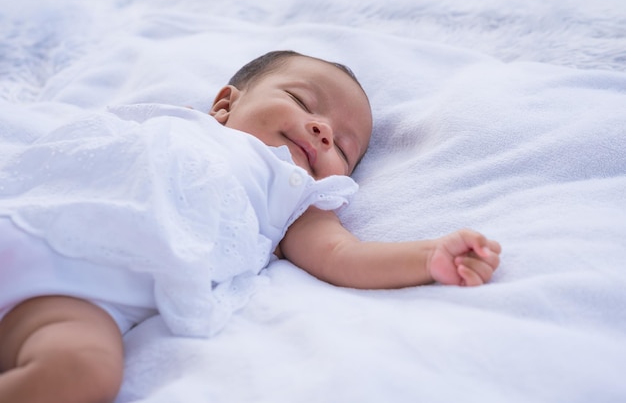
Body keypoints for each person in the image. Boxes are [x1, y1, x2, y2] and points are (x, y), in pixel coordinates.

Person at [0, 50, 501, 403]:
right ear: (225, 103)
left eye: (344, 149)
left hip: (71, 302)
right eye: (304, 102)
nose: (323, 130)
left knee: (81, 373)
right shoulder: (170, 123)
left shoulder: (295, 194)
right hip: (25, 217)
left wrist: (429, 255)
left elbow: (341, 258)